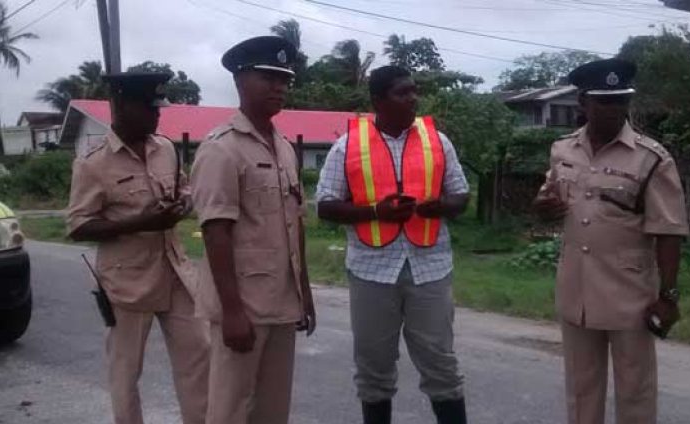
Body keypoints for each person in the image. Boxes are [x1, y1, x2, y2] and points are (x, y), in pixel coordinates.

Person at [533, 58, 689, 424]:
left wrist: (668, 297)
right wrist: (542, 208)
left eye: (622, 99)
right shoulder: (562, 150)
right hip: (576, 290)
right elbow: (548, 201)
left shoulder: (652, 159)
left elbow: (669, 231)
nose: (616, 108)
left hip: (629, 294)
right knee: (581, 388)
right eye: (605, 100)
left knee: (635, 389)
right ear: (583, 103)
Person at [316, 65, 470, 424]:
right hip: (371, 273)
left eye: (414, 90)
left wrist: (442, 206)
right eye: (403, 92)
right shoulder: (348, 145)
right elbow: (325, 205)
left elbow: (461, 196)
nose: (413, 98)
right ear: (378, 102)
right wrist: (376, 212)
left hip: (430, 269)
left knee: (441, 365)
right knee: (373, 369)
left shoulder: (437, 141)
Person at [66, 72, 209, 424]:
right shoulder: (93, 164)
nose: (157, 115)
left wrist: (181, 206)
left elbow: (185, 190)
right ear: (121, 106)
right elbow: (79, 225)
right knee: (126, 373)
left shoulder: (166, 149)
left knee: (200, 356)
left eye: (158, 107)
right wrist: (141, 223)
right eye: (149, 108)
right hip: (127, 283)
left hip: (175, 272)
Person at [190, 36, 316, 424]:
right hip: (243, 305)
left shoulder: (282, 147)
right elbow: (215, 232)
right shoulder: (221, 149)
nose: (279, 87)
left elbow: (295, 224)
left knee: (272, 409)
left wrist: (305, 292)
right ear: (241, 81)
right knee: (229, 408)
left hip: (281, 301)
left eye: (284, 79)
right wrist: (231, 312)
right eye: (268, 77)